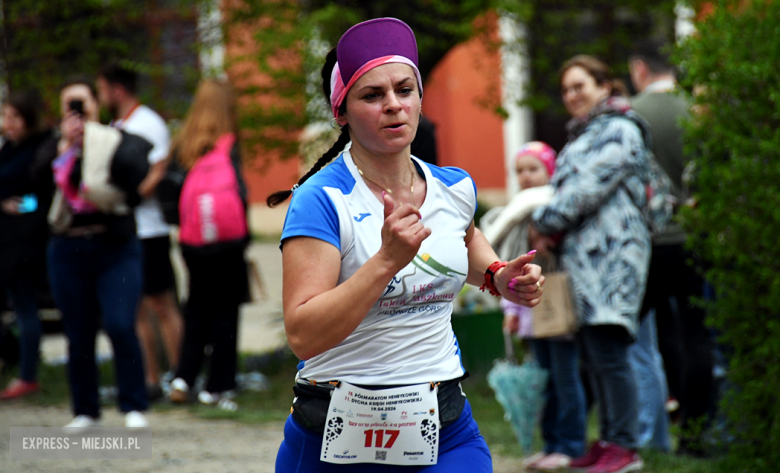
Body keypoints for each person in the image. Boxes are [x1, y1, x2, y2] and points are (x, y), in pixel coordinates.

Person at [269, 18, 544, 472]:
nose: (393, 105)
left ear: (420, 99)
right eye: (372, 95)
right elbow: (303, 335)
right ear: (341, 112)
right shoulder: (323, 199)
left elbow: (465, 239)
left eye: (404, 90)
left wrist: (498, 275)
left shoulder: (453, 187)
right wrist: (385, 262)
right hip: (334, 438)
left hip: (443, 425)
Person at [531, 55, 653, 473]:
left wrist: (544, 221)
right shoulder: (586, 133)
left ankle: (626, 447)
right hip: (585, 262)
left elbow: (586, 189)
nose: (571, 96)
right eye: (566, 89)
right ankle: (608, 441)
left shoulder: (620, 128)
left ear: (605, 85)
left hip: (614, 258)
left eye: (580, 85)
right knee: (596, 353)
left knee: (611, 351)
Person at [41, 77, 150, 429]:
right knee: (79, 330)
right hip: (68, 248)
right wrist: (64, 148)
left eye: (82, 104)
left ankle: (133, 403)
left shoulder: (118, 140)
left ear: (95, 105)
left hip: (113, 246)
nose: (76, 112)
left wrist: (94, 141)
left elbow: (134, 176)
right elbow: (34, 186)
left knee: (120, 323)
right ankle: (85, 409)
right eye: (68, 105)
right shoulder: (53, 146)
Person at [629, 39, 713, 455]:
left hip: (648, 243)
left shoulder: (632, 114)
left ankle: (640, 433)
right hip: (693, 239)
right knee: (696, 337)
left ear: (640, 69)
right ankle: (694, 438)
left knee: (631, 336)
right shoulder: (695, 112)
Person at [492, 142, 587, 471]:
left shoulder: (558, 208)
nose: (526, 177)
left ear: (550, 171)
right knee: (544, 384)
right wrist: (511, 313)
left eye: (533, 169)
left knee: (566, 381)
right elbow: (510, 270)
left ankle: (571, 445)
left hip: (557, 313)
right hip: (533, 318)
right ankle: (550, 445)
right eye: (520, 170)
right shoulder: (519, 215)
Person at [96, 64, 182, 401]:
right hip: (124, 231)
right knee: (134, 308)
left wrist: (130, 198)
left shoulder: (148, 123)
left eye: (102, 89)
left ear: (117, 89)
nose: (101, 97)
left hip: (151, 229)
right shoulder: (116, 126)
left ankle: (179, 375)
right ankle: (148, 380)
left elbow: (159, 170)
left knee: (161, 303)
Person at [164, 79, 249, 407]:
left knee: (197, 307)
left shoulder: (184, 142)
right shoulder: (230, 143)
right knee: (226, 311)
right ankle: (218, 385)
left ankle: (184, 378)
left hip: (193, 242)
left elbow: (171, 195)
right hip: (228, 242)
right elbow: (239, 194)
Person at [0, 90, 52, 400]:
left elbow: (40, 197)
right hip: (6, 242)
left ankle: (28, 372)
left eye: (15, 117)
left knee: (25, 306)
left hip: (25, 245)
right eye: (6, 116)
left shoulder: (38, 150)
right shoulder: (8, 149)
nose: (8, 123)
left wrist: (21, 204)